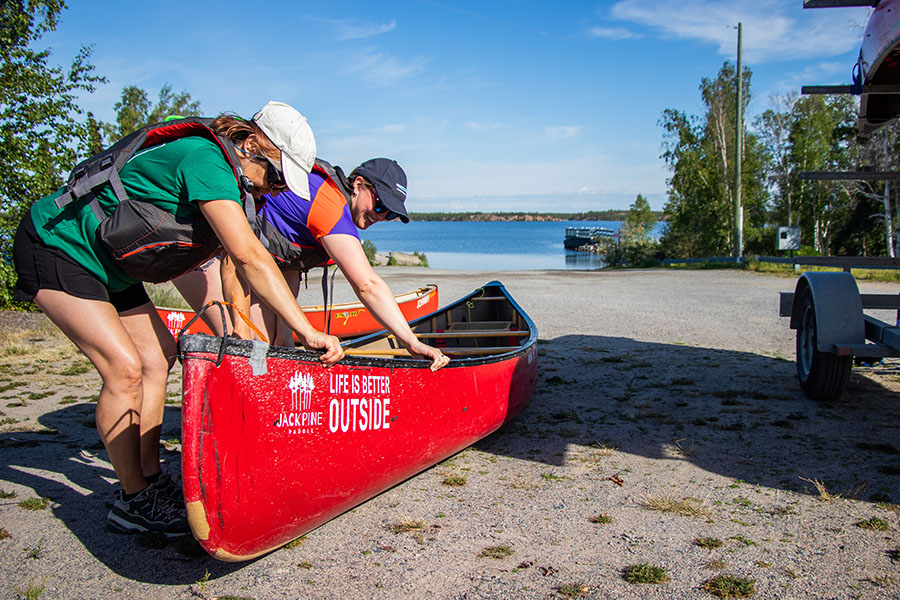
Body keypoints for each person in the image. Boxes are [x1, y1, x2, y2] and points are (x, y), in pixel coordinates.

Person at [12, 101, 345, 537]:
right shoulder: (205, 159)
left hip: (110, 267)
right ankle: (132, 500)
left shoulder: (238, 184)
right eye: (277, 176)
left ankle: (148, 482)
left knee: (158, 357)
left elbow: (230, 263)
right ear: (249, 145)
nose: (277, 189)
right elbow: (251, 257)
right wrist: (306, 330)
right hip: (58, 247)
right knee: (126, 370)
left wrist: (239, 334)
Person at [197, 157, 450, 371]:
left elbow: (290, 262)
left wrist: (286, 332)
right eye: (380, 204)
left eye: (391, 213)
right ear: (358, 185)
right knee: (251, 347)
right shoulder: (330, 207)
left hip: (258, 263)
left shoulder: (336, 215)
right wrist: (410, 342)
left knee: (279, 347)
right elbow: (367, 285)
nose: (382, 216)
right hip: (203, 246)